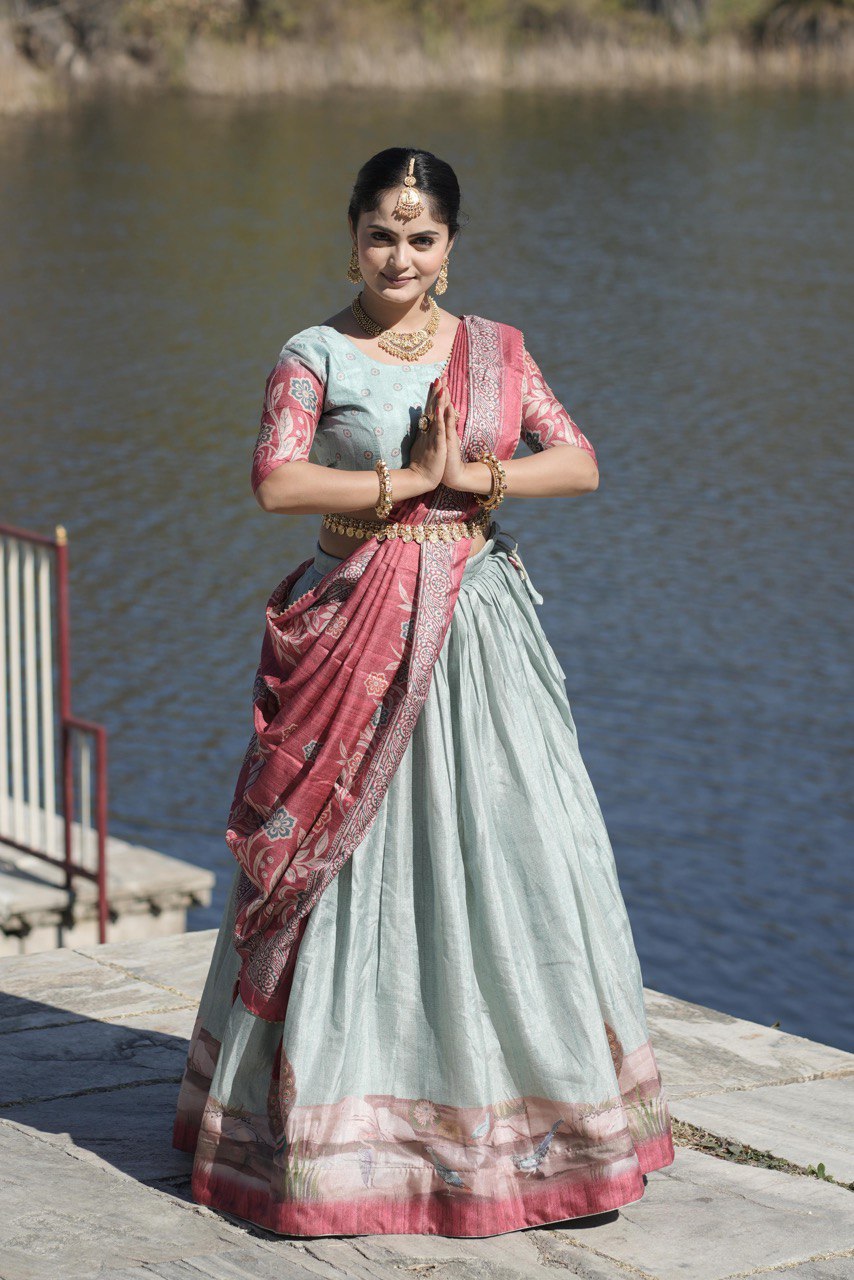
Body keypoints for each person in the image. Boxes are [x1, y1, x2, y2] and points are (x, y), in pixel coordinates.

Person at [172, 146, 675, 1239]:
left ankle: (536, 1129)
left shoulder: (494, 350)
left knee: (516, 850)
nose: (398, 255)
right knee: (347, 866)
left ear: (450, 247)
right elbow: (277, 479)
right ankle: (332, 1135)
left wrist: (472, 479)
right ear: (350, 235)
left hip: (476, 628)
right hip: (354, 617)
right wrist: (403, 480)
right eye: (380, 233)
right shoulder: (314, 352)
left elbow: (577, 460)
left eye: (421, 236)